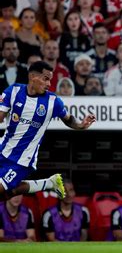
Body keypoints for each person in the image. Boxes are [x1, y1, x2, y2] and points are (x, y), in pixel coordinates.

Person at [0, 61, 96, 201]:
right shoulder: (13, 91)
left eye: (50, 80)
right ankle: (49, 183)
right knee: (7, 195)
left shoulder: (52, 101)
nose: (49, 84)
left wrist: (81, 125)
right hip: (3, 149)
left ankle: (48, 183)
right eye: (46, 79)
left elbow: (68, 119)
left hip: (22, 160)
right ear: (33, 76)